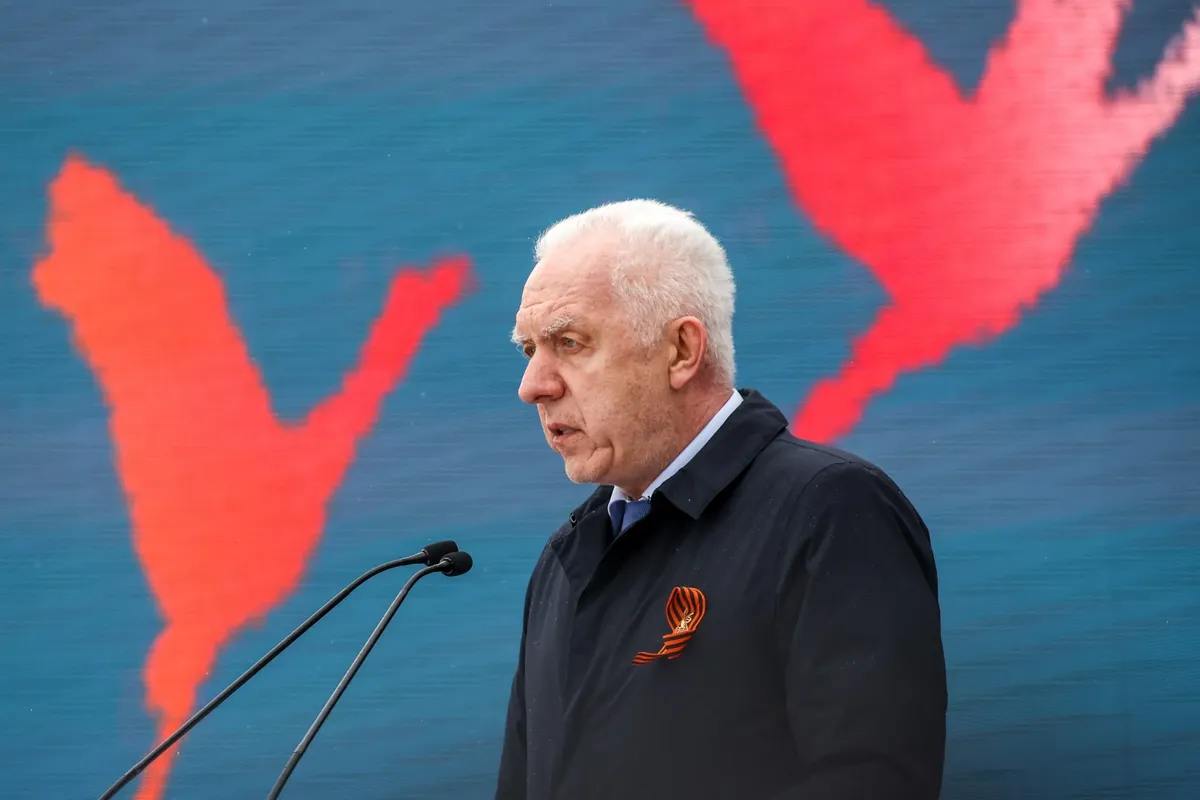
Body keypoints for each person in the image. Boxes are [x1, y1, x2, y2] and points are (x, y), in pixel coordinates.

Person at [497, 200, 947, 800]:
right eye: (530, 350)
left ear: (682, 351)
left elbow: (872, 778)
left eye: (570, 342)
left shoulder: (830, 509)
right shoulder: (565, 557)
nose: (533, 386)